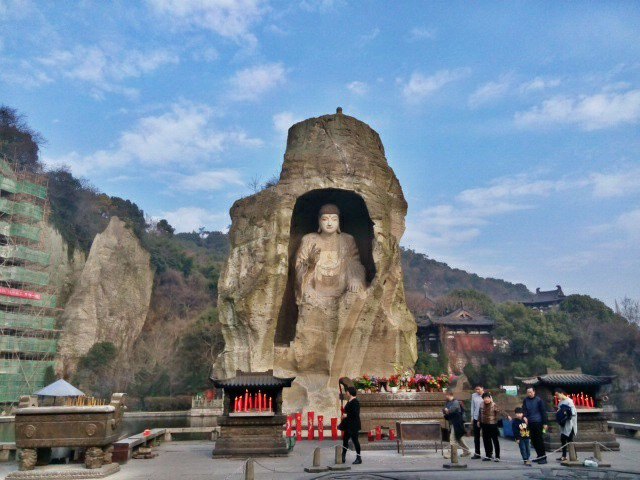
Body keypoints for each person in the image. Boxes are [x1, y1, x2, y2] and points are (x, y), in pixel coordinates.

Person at [522, 386, 548, 464]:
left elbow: (543, 412)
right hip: (530, 422)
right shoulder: (525, 400)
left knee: (539, 440)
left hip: (538, 422)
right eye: (528, 392)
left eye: (531, 392)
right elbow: (524, 410)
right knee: (533, 441)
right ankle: (539, 456)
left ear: (534, 392)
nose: (529, 394)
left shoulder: (539, 400)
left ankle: (543, 457)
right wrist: (525, 417)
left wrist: (545, 423)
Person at [479, 392, 507, 462]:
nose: (486, 399)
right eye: (485, 398)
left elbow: (501, 411)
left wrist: (507, 416)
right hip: (484, 424)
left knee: (495, 440)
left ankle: (497, 456)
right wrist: (479, 421)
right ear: (483, 399)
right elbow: (480, 413)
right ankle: (488, 455)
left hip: (492, 425)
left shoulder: (494, 405)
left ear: (490, 398)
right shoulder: (481, 404)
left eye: (488, 398)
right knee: (486, 440)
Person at [443, 391, 470, 456]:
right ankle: (466, 451)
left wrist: (447, 410)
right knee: (458, 437)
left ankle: (452, 454)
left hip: (457, 422)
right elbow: (444, 410)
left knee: (452, 438)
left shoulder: (456, 402)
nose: (445, 396)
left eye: (446, 395)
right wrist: (446, 410)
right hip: (452, 422)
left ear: (449, 395)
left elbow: (452, 410)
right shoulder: (447, 402)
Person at [339, 386, 362, 464]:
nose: (346, 392)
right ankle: (343, 455)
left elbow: (355, 414)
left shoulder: (355, 402)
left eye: (347, 391)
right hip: (348, 425)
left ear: (350, 392)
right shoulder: (349, 401)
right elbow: (347, 411)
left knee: (355, 441)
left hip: (354, 425)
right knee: (345, 440)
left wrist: (346, 415)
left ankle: (359, 458)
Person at [555, 389, 578, 462]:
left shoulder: (569, 401)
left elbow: (573, 412)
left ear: (562, 393)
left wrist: (567, 413)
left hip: (569, 424)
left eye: (558, 395)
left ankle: (574, 456)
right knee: (562, 440)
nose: (557, 397)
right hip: (563, 424)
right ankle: (564, 456)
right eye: (556, 395)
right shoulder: (560, 402)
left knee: (570, 440)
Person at [470, 384, 484, 459]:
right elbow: (472, 406)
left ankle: (489, 453)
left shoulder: (487, 396)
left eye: (478, 389)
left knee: (485, 436)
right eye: (476, 389)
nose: (477, 391)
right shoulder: (473, 395)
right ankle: (477, 453)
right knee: (476, 437)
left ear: (482, 388)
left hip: (484, 419)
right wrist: (472, 416)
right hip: (475, 417)